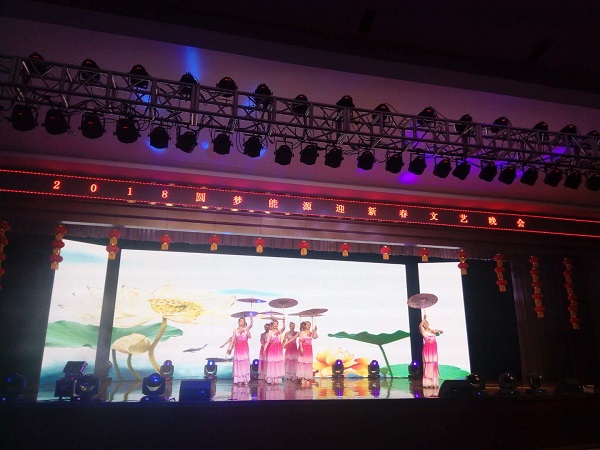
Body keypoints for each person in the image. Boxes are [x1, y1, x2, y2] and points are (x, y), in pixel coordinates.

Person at [221, 316, 253, 385]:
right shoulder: (235, 330)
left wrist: (251, 320)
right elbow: (232, 340)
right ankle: (239, 380)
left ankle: (245, 379)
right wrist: (229, 349)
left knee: (244, 363)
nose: (242, 322)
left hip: (244, 348)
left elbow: (250, 329)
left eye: (243, 321)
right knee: (238, 363)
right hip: (238, 348)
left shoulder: (246, 329)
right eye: (241, 321)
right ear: (238, 322)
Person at [419, 313, 443, 388]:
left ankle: (434, 383)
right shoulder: (423, 331)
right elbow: (420, 326)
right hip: (427, 350)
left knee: (434, 365)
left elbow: (437, 330)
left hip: (434, 350)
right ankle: (427, 383)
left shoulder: (432, 331)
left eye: (427, 323)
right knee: (428, 365)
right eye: (424, 323)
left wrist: (440, 331)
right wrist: (424, 319)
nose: (426, 324)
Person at [263, 317, 285, 384]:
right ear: (272, 325)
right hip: (272, 349)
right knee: (272, 364)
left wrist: (283, 321)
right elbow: (267, 341)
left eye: (276, 324)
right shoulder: (270, 332)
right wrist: (264, 349)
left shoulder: (279, 331)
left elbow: (284, 328)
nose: (275, 325)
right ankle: (272, 379)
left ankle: (277, 379)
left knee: (277, 364)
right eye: (274, 324)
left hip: (278, 349)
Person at [296, 320, 318, 385]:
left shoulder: (311, 332)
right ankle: (302, 378)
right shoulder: (302, 333)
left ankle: (307, 377)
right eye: (307, 325)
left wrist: (315, 330)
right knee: (302, 363)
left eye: (309, 325)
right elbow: (300, 341)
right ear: (304, 325)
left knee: (308, 363)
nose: (309, 326)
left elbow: (314, 337)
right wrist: (301, 348)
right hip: (304, 348)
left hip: (309, 349)